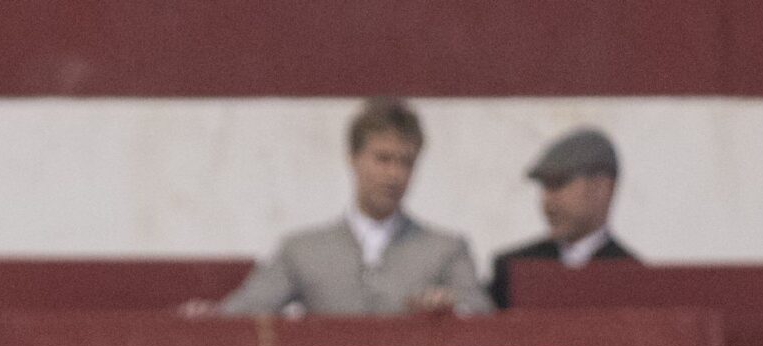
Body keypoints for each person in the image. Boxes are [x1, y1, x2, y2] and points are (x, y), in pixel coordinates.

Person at [211, 98, 491, 317]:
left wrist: (452, 310)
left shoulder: (446, 249)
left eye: (405, 162)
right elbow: (244, 311)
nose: (394, 174)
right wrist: (203, 318)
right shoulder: (303, 250)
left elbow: (482, 315)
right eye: (382, 159)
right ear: (353, 159)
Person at [488, 126, 642, 310]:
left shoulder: (633, 277)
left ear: (601, 189)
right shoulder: (512, 270)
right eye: (545, 187)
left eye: (558, 184)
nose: (548, 200)